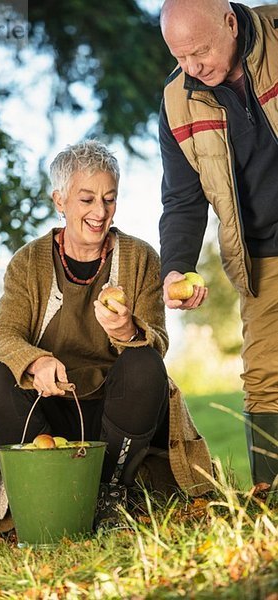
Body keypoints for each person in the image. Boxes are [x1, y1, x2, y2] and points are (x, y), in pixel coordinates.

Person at [0, 140, 212, 542]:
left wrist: (127, 332)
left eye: (109, 199)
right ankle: (44, 486)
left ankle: (108, 492)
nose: (100, 211)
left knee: (145, 365)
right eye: (87, 198)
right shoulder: (29, 261)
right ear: (60, 200)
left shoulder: (140, 258)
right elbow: (3, 336)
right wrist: (35, 362)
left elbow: (157, 342)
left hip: (118, 414)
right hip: (52, 408)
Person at [158, 0, 278, 487]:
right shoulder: (176, 101)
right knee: (265, 376)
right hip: (261, 252)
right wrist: (175, 267)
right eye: (180, 56)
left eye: (200, 51)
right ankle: (271, 501)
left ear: (230, 21)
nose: (192, 67)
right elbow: (183, 201)